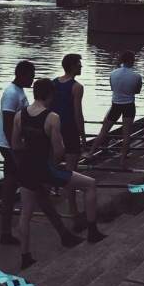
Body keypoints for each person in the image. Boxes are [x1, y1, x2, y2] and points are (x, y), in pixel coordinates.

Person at [12, 78, 104, 269]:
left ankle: (25, 257)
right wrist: (50, 164)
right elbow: (59, 151)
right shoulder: (52, 117)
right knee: (90, 184)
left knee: (25, 215)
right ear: (49, 95)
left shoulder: (19, 115)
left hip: (25, 170)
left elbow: (15, 145)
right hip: (44, 169)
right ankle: (93, 232)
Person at [0, 60, 35, 245]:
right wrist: (15, 151)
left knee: (10, 189)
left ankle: (5, 233)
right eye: (31, 75)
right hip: (9, 146)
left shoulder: (19, 91)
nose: (33, 79)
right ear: (21, 74)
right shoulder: (11, 93)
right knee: (13, 188)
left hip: (14, 146)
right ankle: (6, 232)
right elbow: (8, 125)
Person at [88, 50, 142, 168]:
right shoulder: (137, 76)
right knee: (127, 134)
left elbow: (113, 88)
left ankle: (90, 153)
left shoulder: (113, 73)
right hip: (129, 106)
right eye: (134, 60)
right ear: (131, 61)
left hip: (115, 105)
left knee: (104, 131)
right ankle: (122, 161)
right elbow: (137, 91)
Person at [51, 53, 87, 218]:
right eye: (79, 64)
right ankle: (73, 211)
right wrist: (83, 135)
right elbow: (78, 114)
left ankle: (47, 199)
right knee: (72, 172)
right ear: (72, 66)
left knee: (50, 167)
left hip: (54, 130)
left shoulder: (53, 83)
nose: (81, 67)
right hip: (70, 131)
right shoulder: (77, 87)